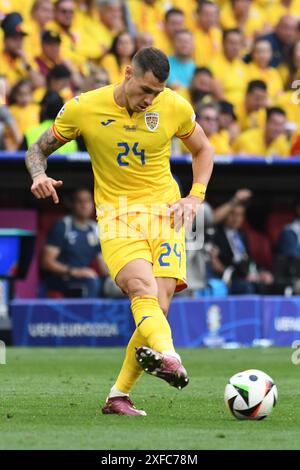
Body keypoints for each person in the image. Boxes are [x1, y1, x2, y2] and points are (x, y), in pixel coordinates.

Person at [25, 47, 214, 416]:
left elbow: (203, 150)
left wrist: (195, 197)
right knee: (140, 290)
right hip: (117, 215)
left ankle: (118, 396)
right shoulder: (84, 107)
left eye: (156, 93)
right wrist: (38, 175)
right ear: (128, 72)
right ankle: (170, 357)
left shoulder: (174, 106)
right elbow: (37, 149)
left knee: (156, 309)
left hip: (166, 213)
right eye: (145, 89)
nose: (149, 99)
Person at [42, 188, 108, 297]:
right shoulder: (63, 226)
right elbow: (46, 263)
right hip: (62, 279)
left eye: (87, 201)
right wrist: (74, 271)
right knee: (92, 283)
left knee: (115, 285)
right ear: (72, 204)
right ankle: (87, 314)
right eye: (80, 201)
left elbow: (103, 265)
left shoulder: (95, 229)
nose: (84, 205)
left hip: (85, 277)